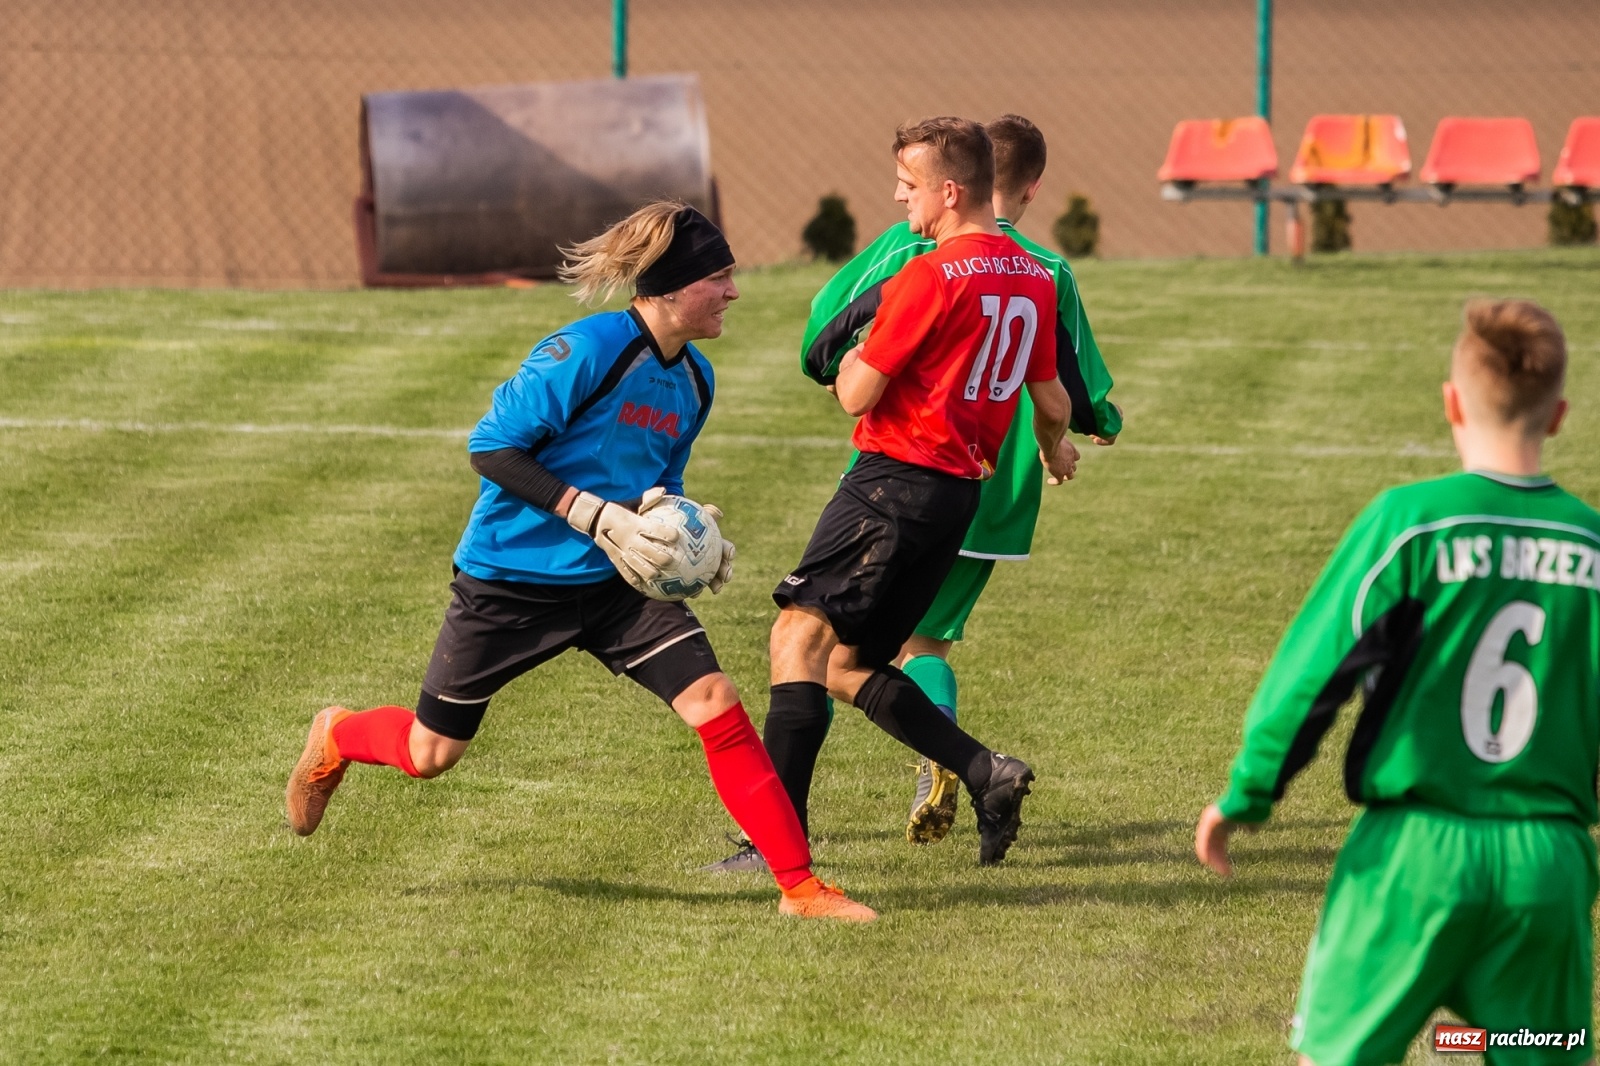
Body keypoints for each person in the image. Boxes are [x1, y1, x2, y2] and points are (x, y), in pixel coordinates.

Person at [285, 201, 876, 923]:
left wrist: (692, 538)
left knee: (716, 702)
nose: (732, 292)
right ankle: (337, 735)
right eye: (717, 277)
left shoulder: (695, 381)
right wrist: (593, 515)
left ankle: (800, 889)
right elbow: (493, 448)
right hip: (511, 580)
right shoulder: (588, 351)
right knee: (430, 752)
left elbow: (663, 480)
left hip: (617, 585)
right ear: (670, 284)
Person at [1196, 299, 1598, 1065]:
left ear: (1451, 402)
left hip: (1413, 858)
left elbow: (1312, 676)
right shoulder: (1593, 545)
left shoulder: (1410, 525)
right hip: (1548, 866)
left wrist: (1247, 795)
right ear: (1559, 415)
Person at [738, 116, 1075, 870]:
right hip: (956, 498)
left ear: (949, 191)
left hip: (892, 485)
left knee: (796, 639)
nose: (899, 199)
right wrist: (1057, 455)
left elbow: (855, 395)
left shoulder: (924, 275)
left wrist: (860, 342)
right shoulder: (1033, 275)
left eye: (909, 185)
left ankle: (775, 845)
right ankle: (988, 773)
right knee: (847, 664)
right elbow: (1052, 403)